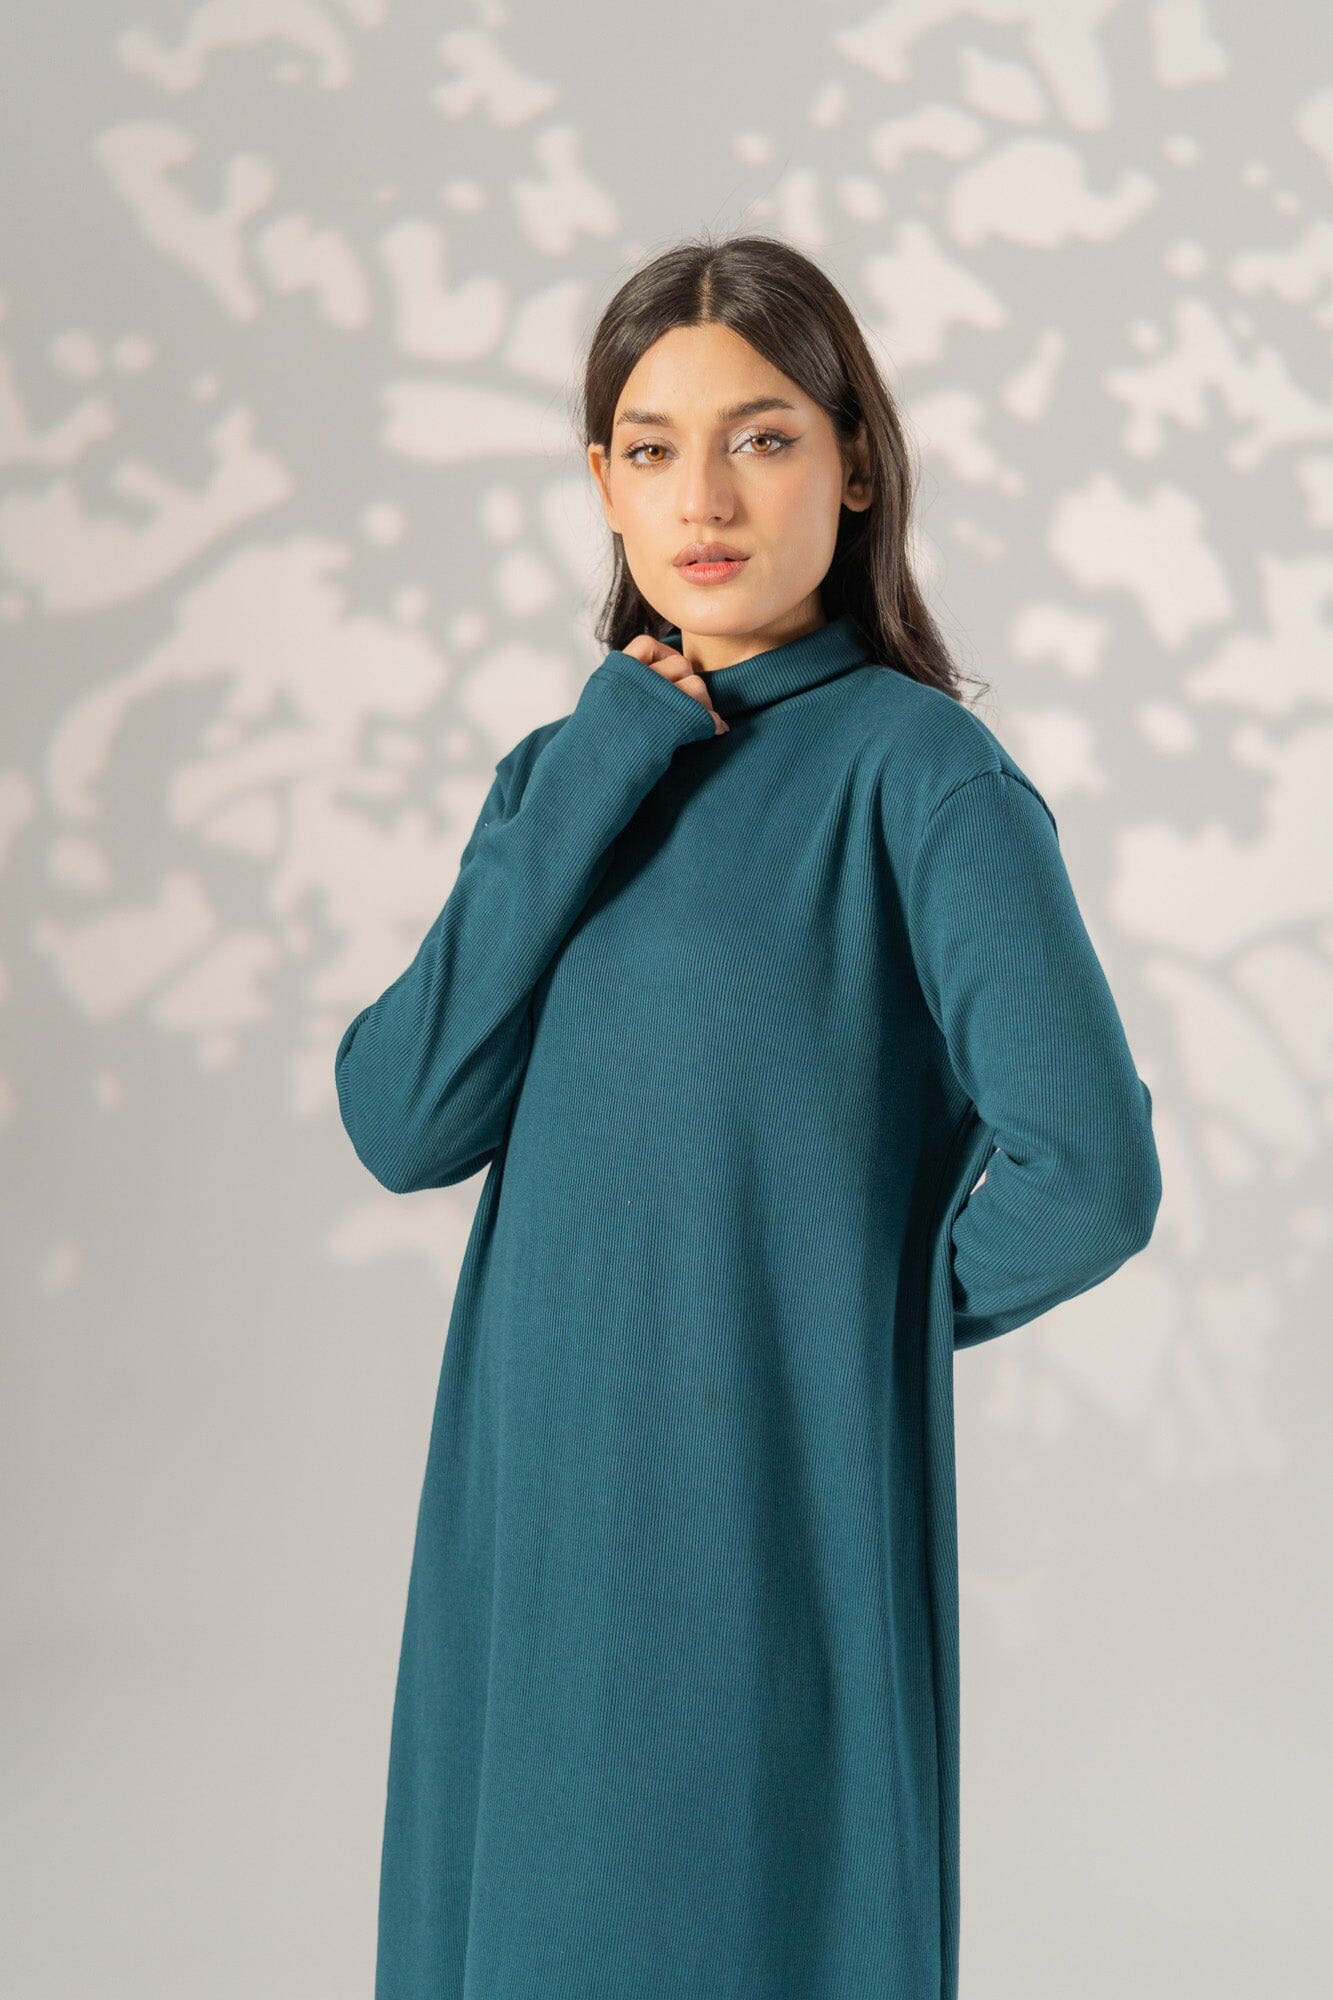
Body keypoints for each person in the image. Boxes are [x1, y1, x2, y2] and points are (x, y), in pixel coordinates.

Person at [334, 232, 1162, 2000]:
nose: (701, 497)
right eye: (651, 448)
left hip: (752, 1521)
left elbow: (1087, 1175)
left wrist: (837, 1325)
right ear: (601, 484)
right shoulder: (567, 772)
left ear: (854, 465)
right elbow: (404, 1114)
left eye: (762, 438)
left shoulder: (917, 773)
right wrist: (598, 760)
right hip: (527, 1522)